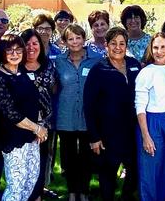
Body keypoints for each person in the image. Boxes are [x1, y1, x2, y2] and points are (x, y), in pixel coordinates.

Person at [0, 34, 50, 201]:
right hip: (13, 139)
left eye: (18, 49)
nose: (15, 53)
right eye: (9, 50)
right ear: (3, 52)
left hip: (31, 137)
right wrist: (37, 128)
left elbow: (33, 103)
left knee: (30, 181)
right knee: (16, 186)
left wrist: (38, 126)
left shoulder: (22, 73)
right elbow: (11, 113)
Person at [84, 27, 141, 201]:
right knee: (107, 175)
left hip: (132, 131)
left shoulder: (134, 65)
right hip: (107, 133)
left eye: (122, 43)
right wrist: (94, 137)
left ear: (126, 45)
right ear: (106, 46)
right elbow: (89, 104)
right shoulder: (99, 69)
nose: (118, 47)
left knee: (135, 172)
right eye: (113, 43)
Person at [55, 24, 103, 201]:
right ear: (65, 41)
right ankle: (72, 192)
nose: (75, 42)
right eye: (70, 39)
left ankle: (83, 191)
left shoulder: (96, 59)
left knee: (85, 157)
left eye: (78, 38)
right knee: (68, 158)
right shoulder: (59, 61)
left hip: (87, 116)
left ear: (84, 39)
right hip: (65, 115)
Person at [135, 32, 165, 201]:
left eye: (163, 47)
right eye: (155, 47)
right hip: (152, 121)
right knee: (150, 169)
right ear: (151, 49)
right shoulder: (146, 73)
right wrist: (145, 135)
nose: (159, 51)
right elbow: (140, 105)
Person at [20, 28, 58, 201]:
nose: (31, 47)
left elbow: (54, 90)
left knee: (40, 164)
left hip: (44, 126)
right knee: (21, 165)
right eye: (27, 44)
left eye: (35, 43)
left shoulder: (48, 65)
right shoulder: (15, 66)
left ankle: (37, 196)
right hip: (20, 124)